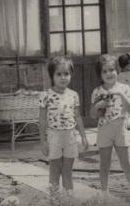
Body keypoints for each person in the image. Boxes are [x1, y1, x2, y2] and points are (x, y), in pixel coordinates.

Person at [90, 54, 130, 204]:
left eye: (112, 70)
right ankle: (105, 195)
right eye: (104, 71)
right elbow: (92, 115)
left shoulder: (124, 88)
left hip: (120, 130)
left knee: (127, 164)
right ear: (100, 74)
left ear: (117, 70)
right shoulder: (97, 92)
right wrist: (98, 106)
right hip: (104, 130)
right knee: (105, 164)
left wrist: (120, 94)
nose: (109, 73)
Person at [39, 55, 89, 198]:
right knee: (55, 170)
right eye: (59, 74)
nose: (63, 78)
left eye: (66, 74)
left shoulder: (73, 95)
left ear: (71, 75)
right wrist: (42, 141)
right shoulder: (45, 96)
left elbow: (77, 116)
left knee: (67, 171)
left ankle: (69, 199)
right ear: (52, 76)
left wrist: (84, 137)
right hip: (54, 136)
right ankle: (54, 199)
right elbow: (42, 120)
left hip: (70, 137)